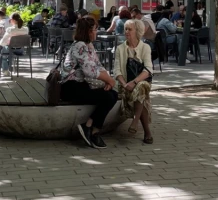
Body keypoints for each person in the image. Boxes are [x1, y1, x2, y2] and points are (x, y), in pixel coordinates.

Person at [60, 16, 117, 149]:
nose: (96, 32)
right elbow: (90, 71)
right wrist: (109, 80)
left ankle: (90, 126)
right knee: (108, 96)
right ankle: (93, 130)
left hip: (80, 85)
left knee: (112, 94)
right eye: (95, 29)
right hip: (70, 87)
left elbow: (98, 65)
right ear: (88, 31)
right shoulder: (80, 45)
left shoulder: (88, 45)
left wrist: (109, 80)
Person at [115, 19, 154, 144]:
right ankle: (147, 132)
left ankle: (135, 121)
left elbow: (148, 70)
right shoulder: (120, 49)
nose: (126, 31)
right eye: (125, 29)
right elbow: (117, 72)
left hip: (141, 82)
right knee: (141, 95)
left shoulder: (145, 47)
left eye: (129, 29)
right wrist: (125, 84)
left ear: (137, 31)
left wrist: (134, 82)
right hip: (124, 84)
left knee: (141, 86)